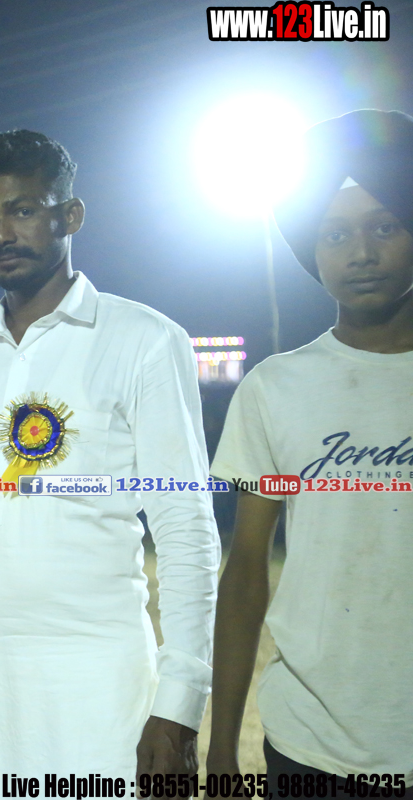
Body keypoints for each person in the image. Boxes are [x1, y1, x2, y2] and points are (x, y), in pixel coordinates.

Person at [0, 130, 221, 798]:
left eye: (23, 210)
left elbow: (185, 528)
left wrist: (180, 703)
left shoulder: (144, 341)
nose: (1, 233)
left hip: (102, 689)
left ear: (71, 215)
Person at [206, 110, 413, 783]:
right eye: (335, 234)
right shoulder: (275, 388)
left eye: (385, 227)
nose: (361, 253)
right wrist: (221, 748)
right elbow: (246, 572)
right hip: (309, 748)